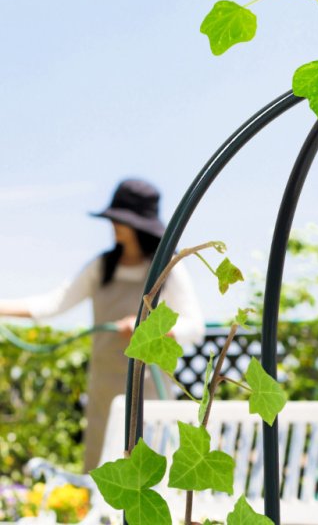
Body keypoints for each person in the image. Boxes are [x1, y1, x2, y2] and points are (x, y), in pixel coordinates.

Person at [0, 179, 204, 471]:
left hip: (148, 390)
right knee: (103, 473)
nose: (114, 226)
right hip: (104, 390)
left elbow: (194, 326)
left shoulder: (167, 268)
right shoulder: (101, 267)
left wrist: (147, 327)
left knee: (149, 472)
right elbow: (53, 304)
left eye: (122, 220)